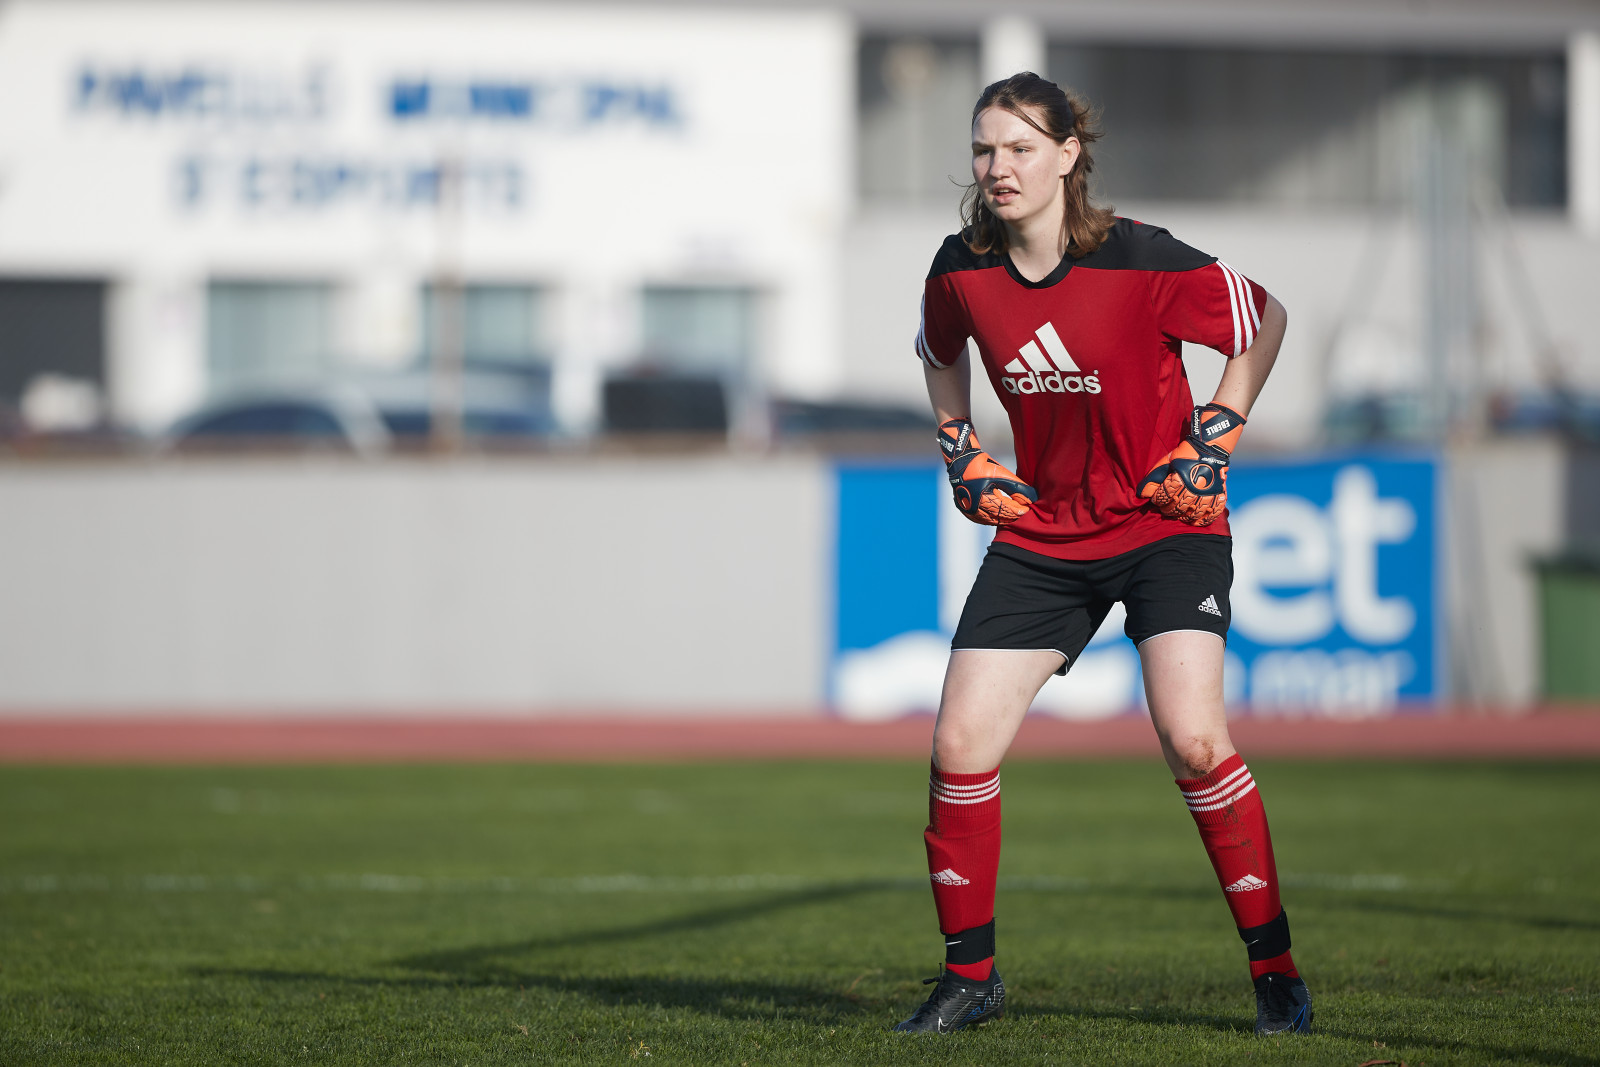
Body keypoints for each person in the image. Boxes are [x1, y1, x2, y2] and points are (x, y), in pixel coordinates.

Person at [894, 72, 1310, 1037]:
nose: (999, 167)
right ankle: (969, 979)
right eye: (985, 150)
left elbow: (1264, 320)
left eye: (1020, 148)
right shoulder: (960, 268)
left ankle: (1276, 972)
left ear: (1068, 154)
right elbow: (937, 350)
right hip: (1044, 533)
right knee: (959, 746)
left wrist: (1216, 434)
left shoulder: (1141, 257)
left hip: (1167, 524)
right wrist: (960, 446)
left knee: (1194, 738)